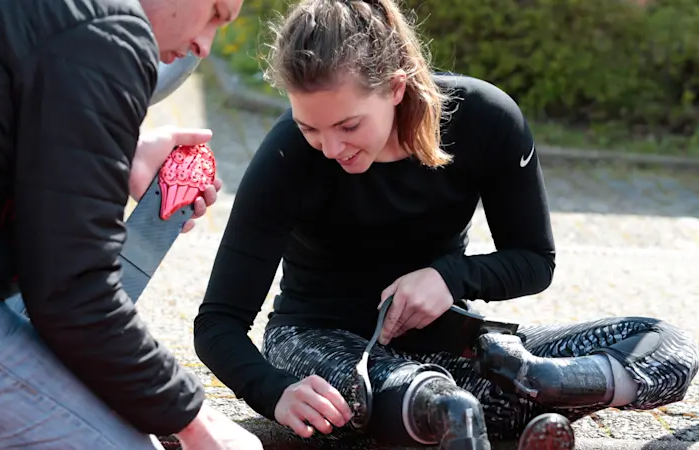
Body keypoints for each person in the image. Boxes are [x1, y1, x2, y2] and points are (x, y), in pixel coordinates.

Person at [193, 0, 699, 448]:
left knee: (664, 348)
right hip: (323, 343)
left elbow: (534, 261)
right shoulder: (286, 154)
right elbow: (218, 322)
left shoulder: (485, 120)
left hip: (451, 340)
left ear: (394, 87)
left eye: (348, 125)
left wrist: (448, 277)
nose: (330, 148)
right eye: (310, 128)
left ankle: (539, 386)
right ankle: (494, 416)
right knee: (441, 403)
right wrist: (274, 391)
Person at [0, 0, 263, 449]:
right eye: (215, 13)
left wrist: (113, 151)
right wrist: (193, 417)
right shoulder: (111, 31)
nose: (204, 46)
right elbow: (74, 293)